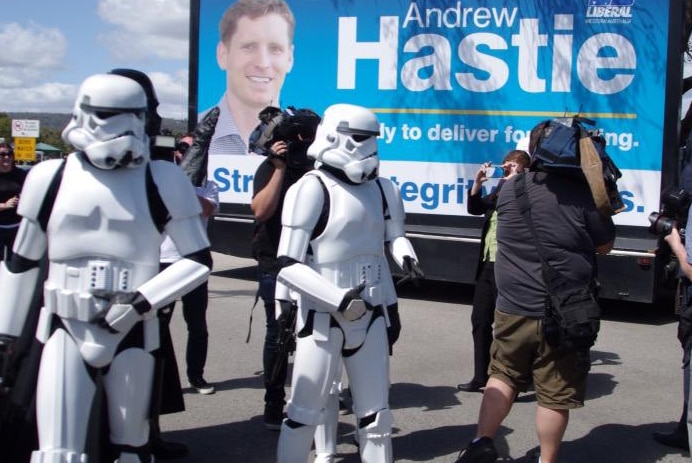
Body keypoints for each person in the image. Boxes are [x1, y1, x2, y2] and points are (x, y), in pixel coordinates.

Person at [0, 72, 211, 463]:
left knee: (132, 449)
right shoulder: (49, 178)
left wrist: (140, 303)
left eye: (129, 114)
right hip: (66, 325)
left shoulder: (162, 179)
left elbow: (198, 261)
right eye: (105, 114)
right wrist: (5, 337)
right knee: (57, 453)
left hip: (132, 327)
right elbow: (22, 262)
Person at [455, 120, 616, 463]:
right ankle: (546, 459)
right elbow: (604, 246)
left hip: (512, 307)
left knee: (502, 375)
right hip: (564, 312)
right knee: (554, 394)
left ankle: (482, 442)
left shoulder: (511, 190)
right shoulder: (583, 196)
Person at [274, 103, 423, 463]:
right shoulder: (310, 188)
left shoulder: (384, 189)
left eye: (372, 141)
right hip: (323, 312)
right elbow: (287, 264)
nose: (367, 149)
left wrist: (405, 253)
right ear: (332, 137)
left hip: (371, 310)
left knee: (376, 416)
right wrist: (335, 300)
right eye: (359, 139)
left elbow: (394, 235)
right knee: (305, 411)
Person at [249, 106, 321, 429]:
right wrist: (279, 168)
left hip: (312, 260)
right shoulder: (269, 168)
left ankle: (321, 396)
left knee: (319, 332)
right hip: (273, 262)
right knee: (278, 333)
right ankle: (273, 401)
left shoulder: (317, 171)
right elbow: (261, 212)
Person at [458, 150, 530, 393]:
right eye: (506, 166)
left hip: (511, 267)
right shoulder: (500, 188)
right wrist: (478, 182)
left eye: (513, 166)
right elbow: (476, 208)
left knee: (508, 327)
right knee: (480, 320)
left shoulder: (525, 191)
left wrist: (517, 181)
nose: (507, 169)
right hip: (488, 264)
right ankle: (481, 376)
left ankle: (513, 379)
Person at [160, 132, 219, 396]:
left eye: (194, 148)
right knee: (158, 326)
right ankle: (159, 380)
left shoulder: (208, 184)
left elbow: (205, 209)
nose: (188, 152)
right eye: (184, 147)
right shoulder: (160, 181)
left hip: (195, 262)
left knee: (197, 325)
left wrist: (185, 185)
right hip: (163, 261)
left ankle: (196, 376)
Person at [206, 0, 295, 155]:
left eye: (275, 49)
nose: (263, 63)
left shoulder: (305, 139)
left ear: (290, 59)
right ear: (223, 54)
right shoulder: (200, 133)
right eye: (248, 47)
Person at [0, 143, 27, 262]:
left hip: (18, 227)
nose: (6, 157)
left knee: (14, 265)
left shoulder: (22, 175)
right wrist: (4, 206)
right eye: (2, 154)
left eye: (9, 154)